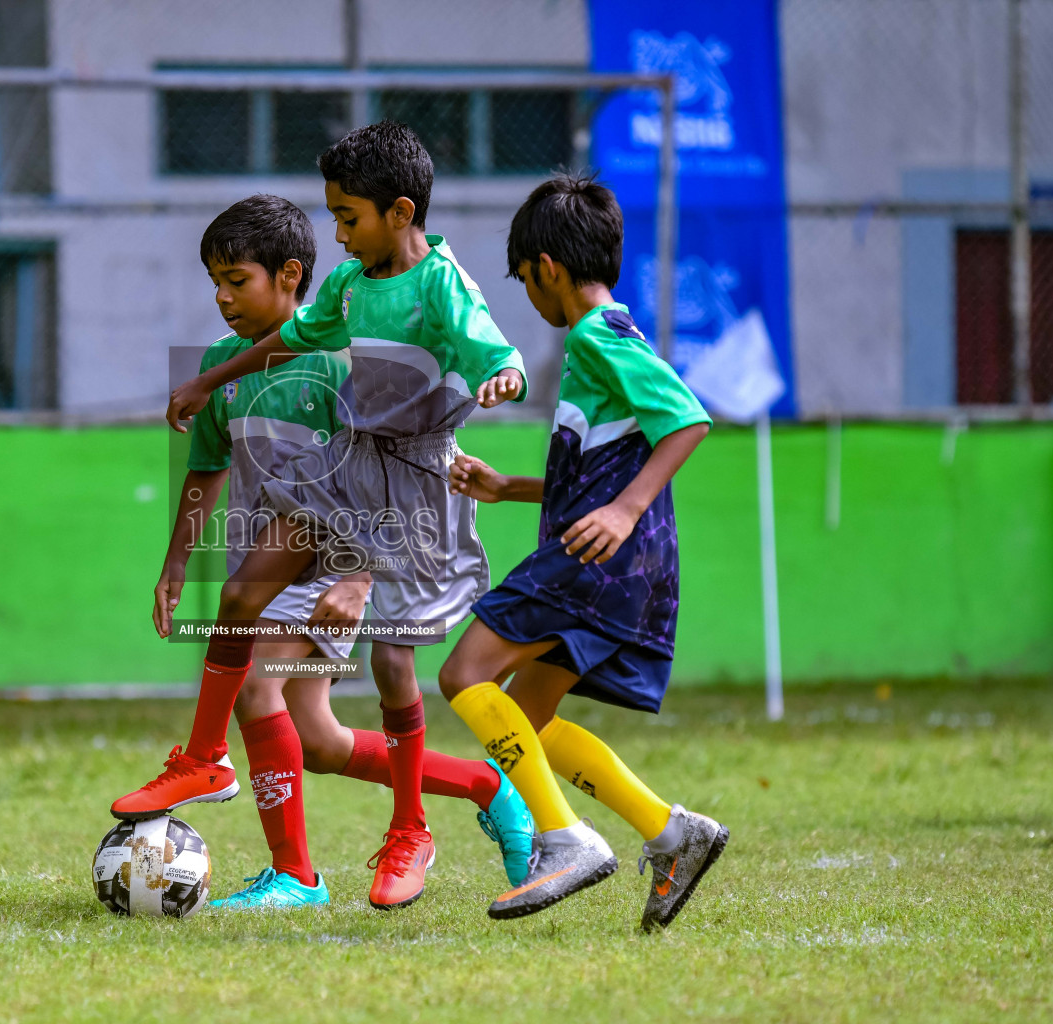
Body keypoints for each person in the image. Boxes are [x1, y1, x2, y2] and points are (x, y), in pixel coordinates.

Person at [114, 123, 528, 910]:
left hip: (339, 551)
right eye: (216, 284)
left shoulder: (351, 354)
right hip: (284, 552)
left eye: (236, 279)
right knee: (321, 744)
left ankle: (294, 873)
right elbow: (206, 470)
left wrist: (364, 575)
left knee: (262, 687)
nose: (222, 296)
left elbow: (383, 473)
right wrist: (174, 565)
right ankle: (485, 787)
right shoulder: (233, 361)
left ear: (289, 274)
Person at [439, 173, 728, 928]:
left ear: (548, 269)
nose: (528, 296)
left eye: (525, 280)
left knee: (465, 672)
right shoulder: (608, 337)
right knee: (526, 716)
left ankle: (564, 840)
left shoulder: (598, 335)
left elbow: (687, 419)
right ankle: (672, 833)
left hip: (596, 567)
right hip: (619, 569)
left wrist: (629, 511)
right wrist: (509, 489)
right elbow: (609, 466)